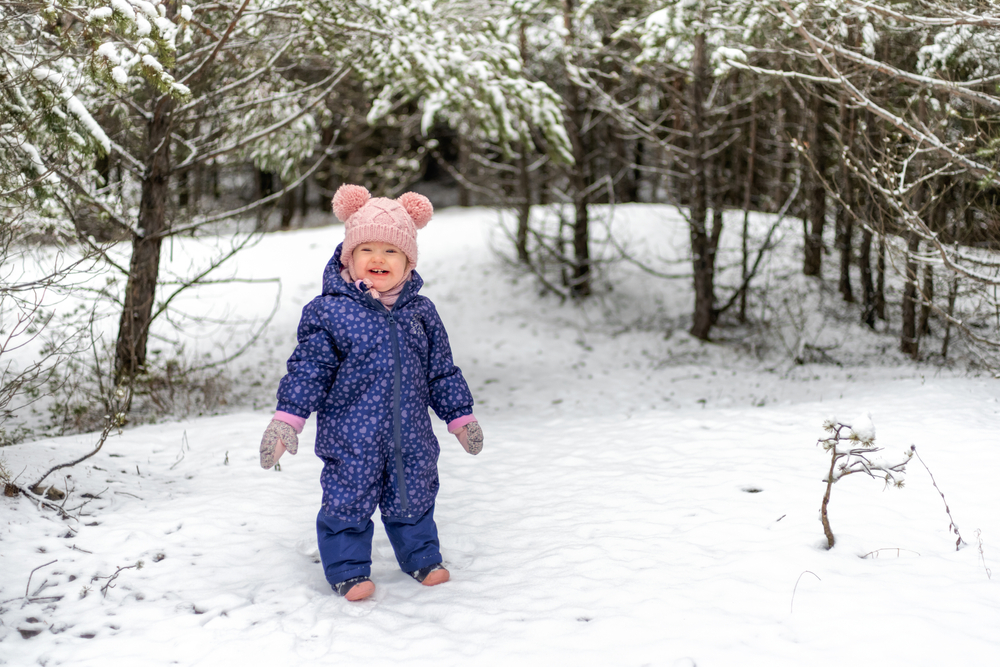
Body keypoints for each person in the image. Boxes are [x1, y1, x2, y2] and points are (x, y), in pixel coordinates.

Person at [258, 184, 483, 602]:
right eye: (366, 250)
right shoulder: (329, 312)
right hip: (351, 438)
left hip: (411, 437)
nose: (378, 259)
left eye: (391, 251)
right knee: (347, 501)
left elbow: (441, 370)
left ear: (408, 262)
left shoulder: (421, 312)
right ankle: (348, 571)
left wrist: (460, 416)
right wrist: (288, 417)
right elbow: (309, 368)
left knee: (414, 496)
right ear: (349, 256)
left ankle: (422, 558)